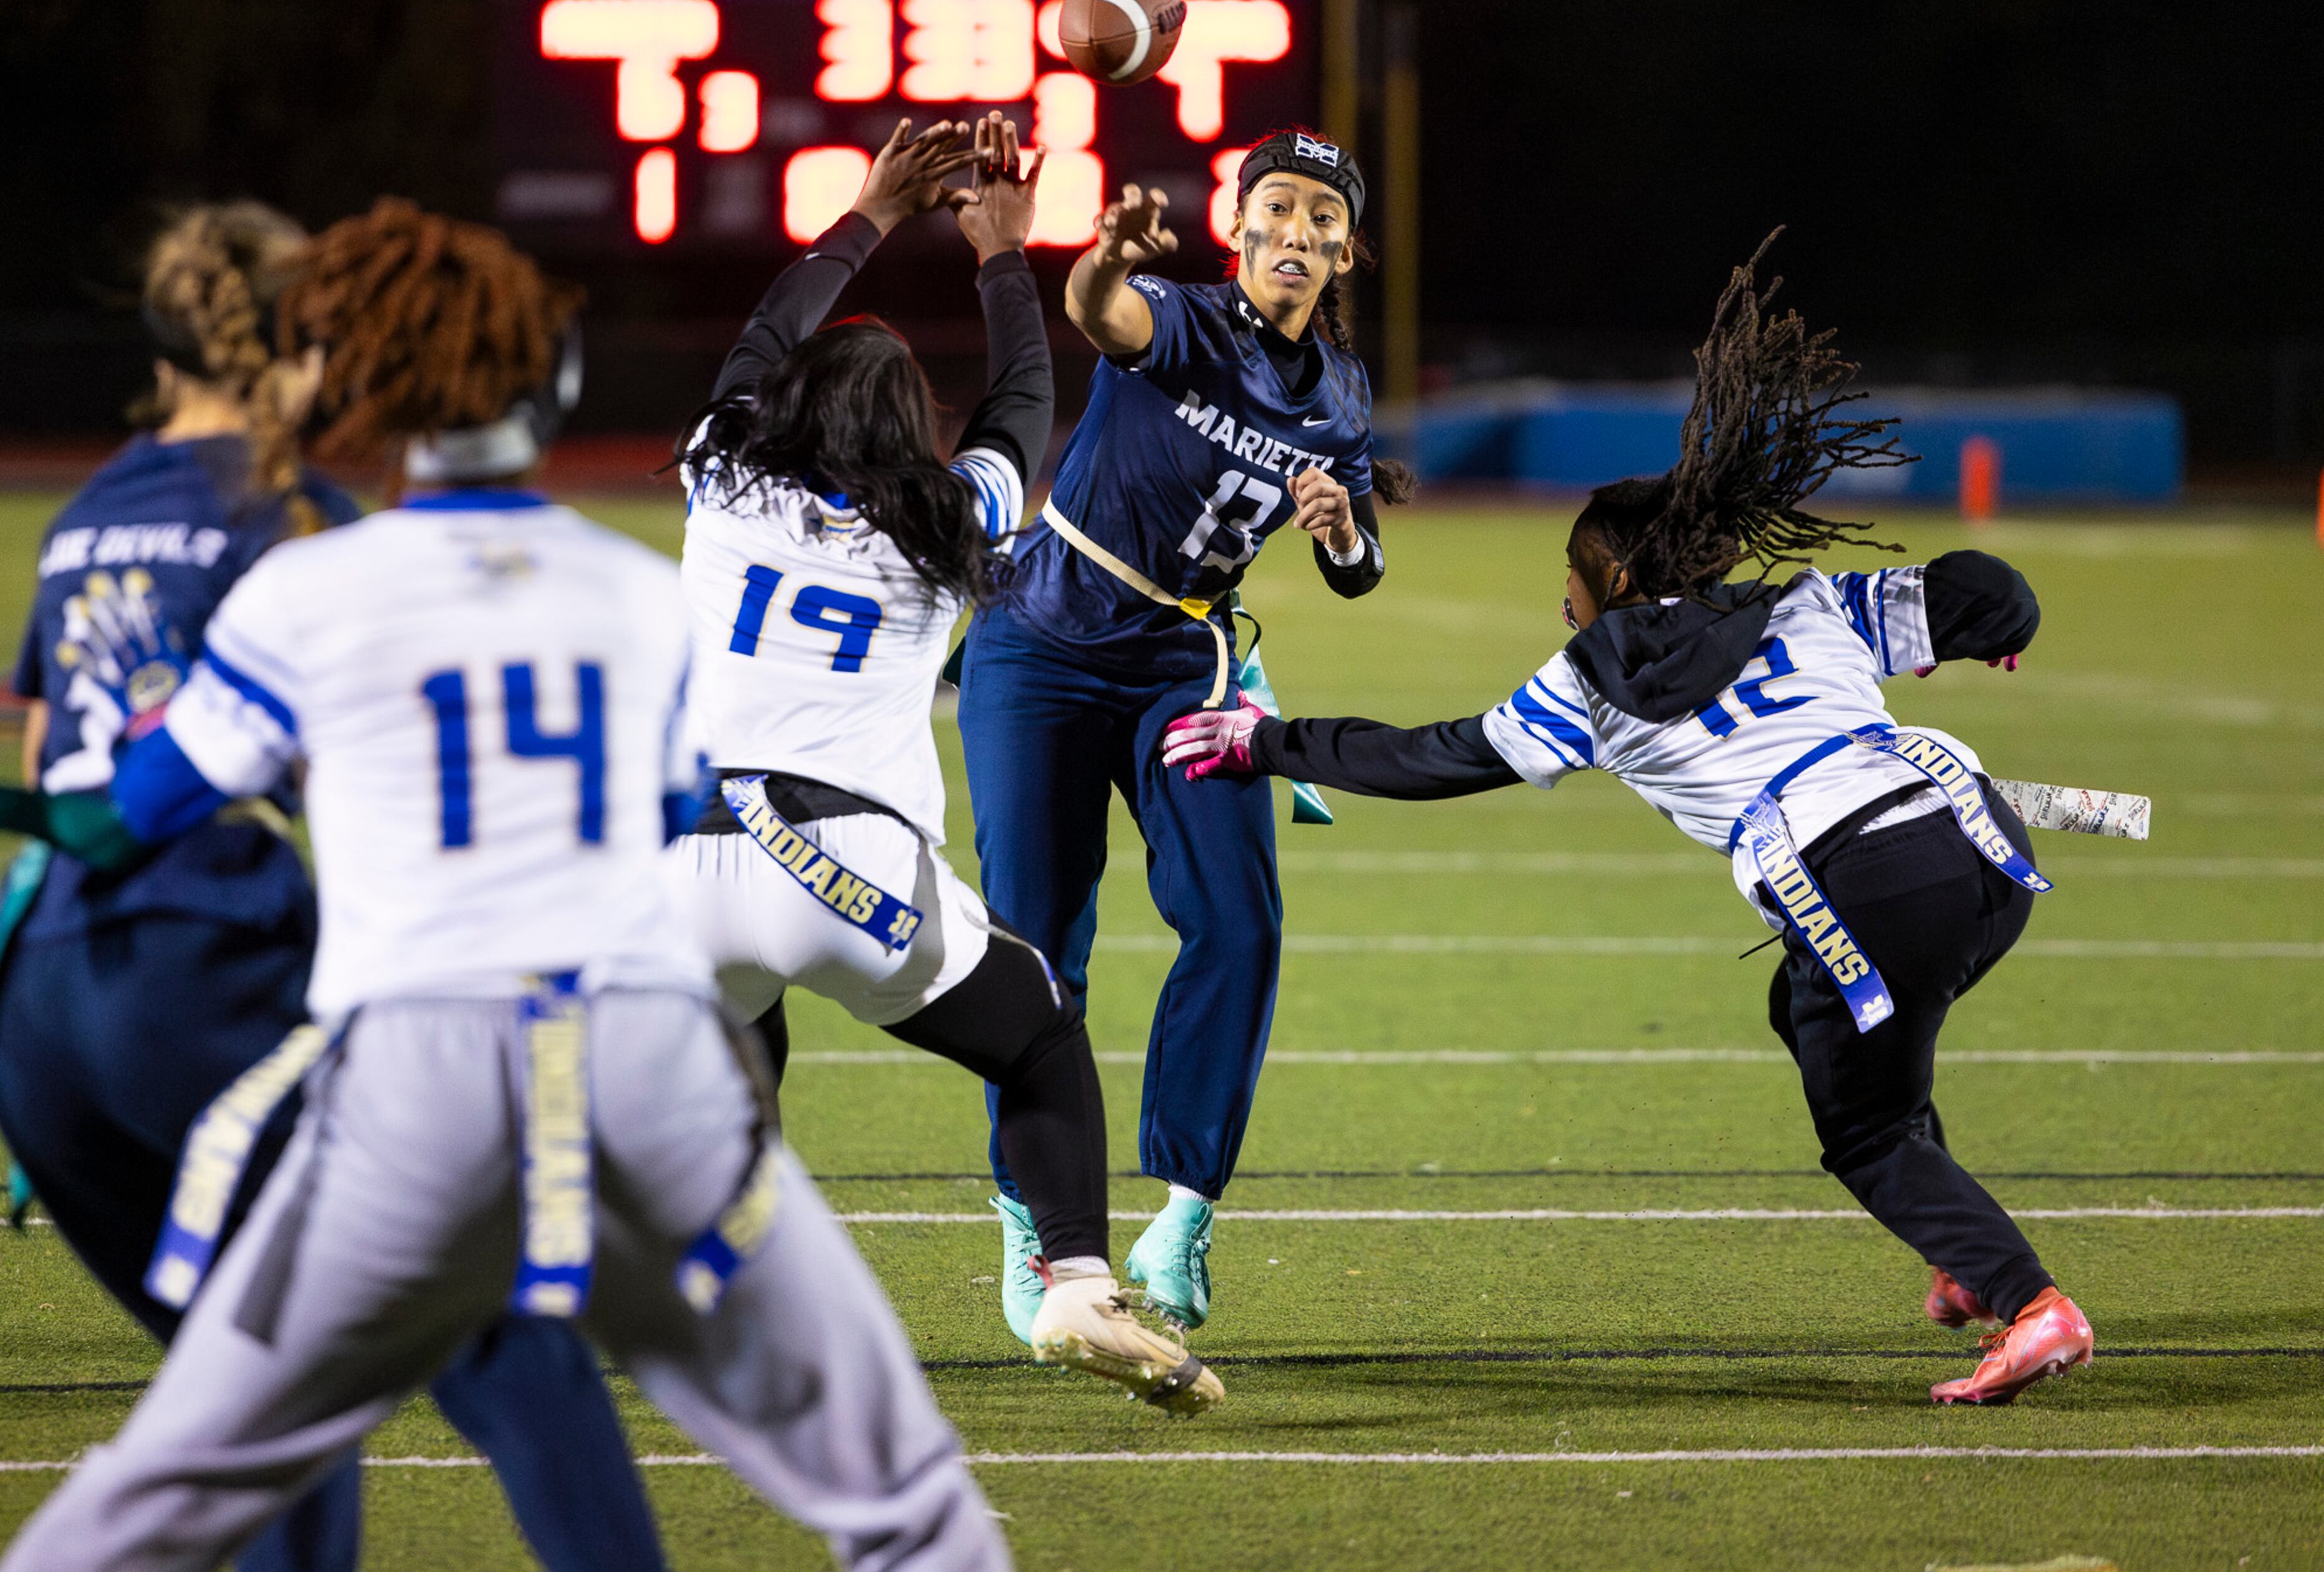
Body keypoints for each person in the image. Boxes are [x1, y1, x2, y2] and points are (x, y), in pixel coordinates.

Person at [0, 199, 1008, 1571]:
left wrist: (49, 816)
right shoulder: (643, 599)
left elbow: (138, 809)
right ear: (557, 389)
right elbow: (656, 809)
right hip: (647, 1075)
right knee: (905, 1495)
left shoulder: (311, 590)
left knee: (171, 1486)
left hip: (404, 1089)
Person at [1160, 236, 2096, 1406]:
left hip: (1864, 885)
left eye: (1571, 573)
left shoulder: (1593, 677)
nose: (1562, 595)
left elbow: (1433, 758)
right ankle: (1962, 1245)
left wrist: (1265, 741)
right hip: (1980, 849)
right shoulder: (1807, 605)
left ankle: (2029, 1302)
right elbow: (1995, 591)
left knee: (1862, 1136)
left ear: (1603, 575)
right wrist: (1988, 628)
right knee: (1810, 1009)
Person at [0, 201, 666, 1571]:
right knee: (514, 1343)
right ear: (295, 344)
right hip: (201, 986)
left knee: (274, 1401)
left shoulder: (87, 512)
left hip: (41, 1017)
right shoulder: (299, 519)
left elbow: (54, 757)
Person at [666, 112, 1219, 1412]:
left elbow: (759, 344)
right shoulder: (944, 518)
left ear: (784, 410)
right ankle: (1077, 1280)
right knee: (1035, 1044)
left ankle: (712, 1287)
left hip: (683, 867)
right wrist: (1001, 257)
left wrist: (868, 213)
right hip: (849, 864)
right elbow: (1027, 402)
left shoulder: (723, 479)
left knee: (741, 1034)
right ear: (913, 430)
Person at [954, 127, 1409, 1330]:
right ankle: (1032, 1223)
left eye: (1322, 215)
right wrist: (1101, 256)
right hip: (1044, 643)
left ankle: (1181, 1219)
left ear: (1346, 252)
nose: (1296, 232)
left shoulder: (1345, 393)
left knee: (1239, 923)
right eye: (1277, 207)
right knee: (1039, 946)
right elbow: (1104, 314)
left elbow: (1360, 569)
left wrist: (1342, 533)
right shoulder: (1184, 318)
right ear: (1239, 227)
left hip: (1183, 665)